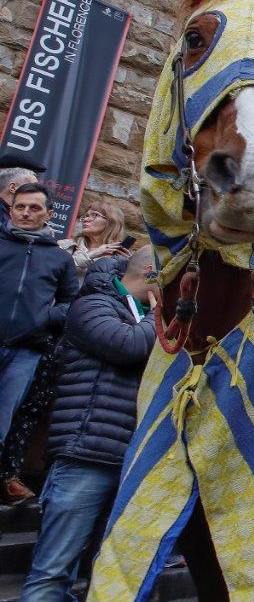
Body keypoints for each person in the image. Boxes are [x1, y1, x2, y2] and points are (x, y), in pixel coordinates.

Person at [20, 250, 159, 601]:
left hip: (131, 459)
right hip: (86, 453)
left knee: (110, 577)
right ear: (151, 272)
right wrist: (162, 316)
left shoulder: (145, 317)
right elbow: (128, 345)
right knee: (52, 572)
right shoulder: (93, 304)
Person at [0, 184, 78, 502]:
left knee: (3, 420)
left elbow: (71, 302)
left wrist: (45, 317)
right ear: (11, 210)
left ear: (48, 214)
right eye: (20, 207)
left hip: (25, 352)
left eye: (34, 208)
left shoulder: (59, 258)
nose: (26, 213)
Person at [60, 201, 130, 281]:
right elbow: (54, 270)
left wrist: (129, 267)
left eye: (94, 215)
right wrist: (93, 254)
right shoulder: (65, 245)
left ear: (111, 222)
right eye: (86, 215)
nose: (86, 219)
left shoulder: (118, 256)